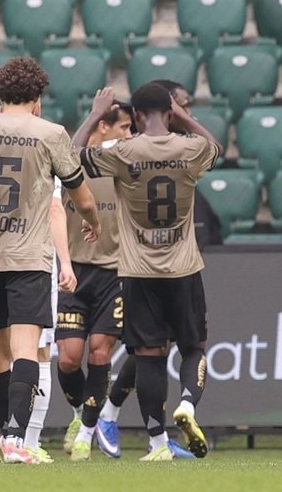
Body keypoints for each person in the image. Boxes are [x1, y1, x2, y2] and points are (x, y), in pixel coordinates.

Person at [0, 57, 101, 464]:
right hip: (28, 256)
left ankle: (7, 432)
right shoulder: (50, 133)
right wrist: (93, 221)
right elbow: (81, 197)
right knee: (26, 349)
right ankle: (15, 438)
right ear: (38, 97)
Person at [74, 84, 222, 461]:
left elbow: (70, 157)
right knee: (193, 348)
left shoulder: (123, 152)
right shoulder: (189, 148)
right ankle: (187, 404)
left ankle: (157, 442)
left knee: (148, 355)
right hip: (184, 268)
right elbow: (216, 147)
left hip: (139, 272)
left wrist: (96, 113)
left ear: (136, 116)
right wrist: (185, 117)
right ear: (169, 112)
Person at [0, 165, 72, 465]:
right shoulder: (43, 149)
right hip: (30, 261)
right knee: (36, 351)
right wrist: (66, 262)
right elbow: (55, 208)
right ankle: (24, 440)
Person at [55, 99, 132, 461]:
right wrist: (94, 113)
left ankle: (87, 432)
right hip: (75, 271)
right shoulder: (75, 161)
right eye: (123, 127)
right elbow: (66, 156)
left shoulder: (124, 162)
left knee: (100, 351)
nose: (129, 134)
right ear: (103, 126)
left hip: (113, 271)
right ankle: (78, 413)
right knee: (69, 359)